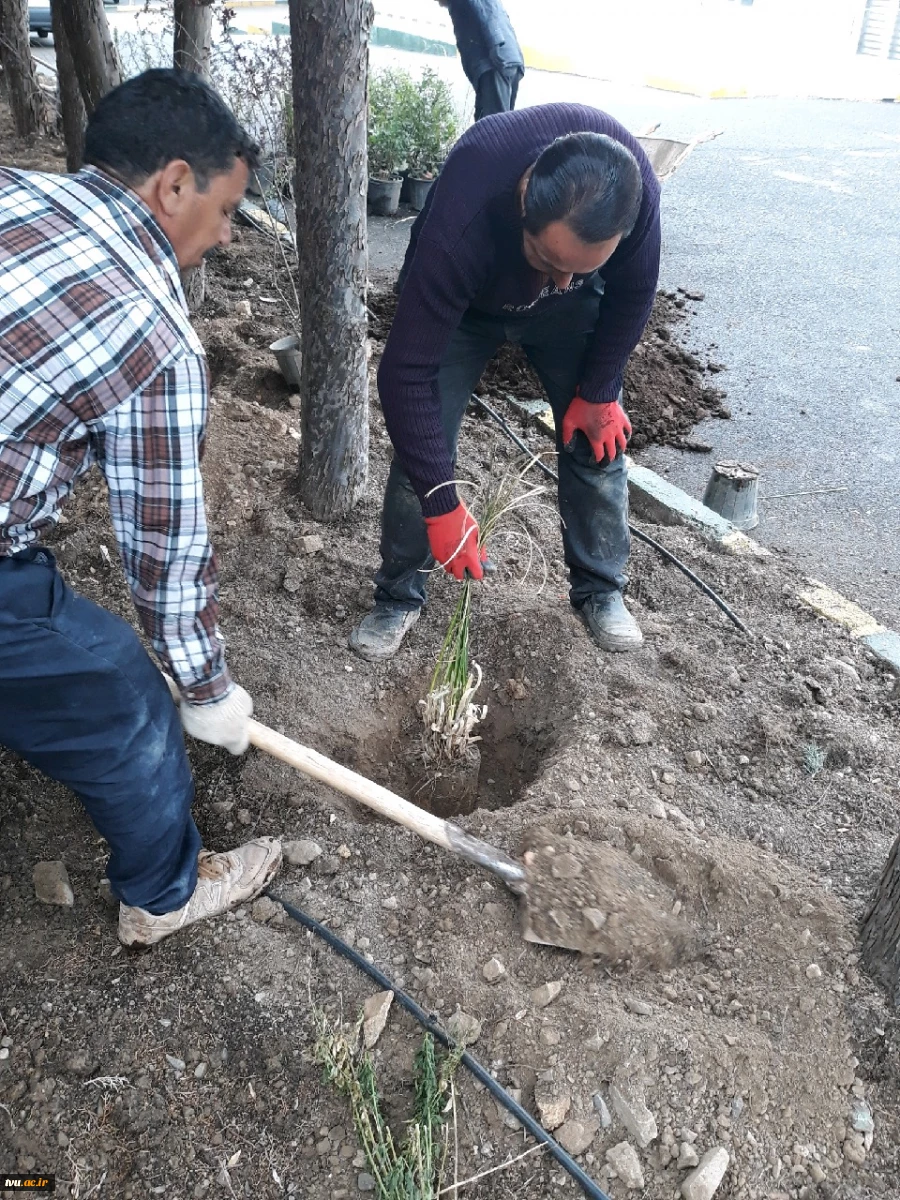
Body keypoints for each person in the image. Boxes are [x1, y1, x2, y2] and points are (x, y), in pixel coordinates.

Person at [0, 69, 282, 949]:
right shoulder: (153, 333)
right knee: (123, 695)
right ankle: (164, 893)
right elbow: (160, 545)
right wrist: (203, 691)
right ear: (172, 183)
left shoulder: (12, 189)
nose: (229, 236)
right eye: (228, 210)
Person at [350, 103, 660, 663]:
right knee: (424, 443)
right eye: (548, 257)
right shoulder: (464, 217)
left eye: (582, 268)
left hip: (569, 321)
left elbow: (634, 293)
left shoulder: (633, 196)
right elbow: (405, 371)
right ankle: (397, 596)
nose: (562, 279)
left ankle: (600, 590)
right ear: (523, 207)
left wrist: (599, 388)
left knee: (598, 435)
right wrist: (442, 502)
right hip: (471, 304)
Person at [437, 0, 524, 120]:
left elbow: (485, 15)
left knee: (492, 127)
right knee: (500, 125)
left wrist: (495, 44)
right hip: (510, 59)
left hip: (493, 63)